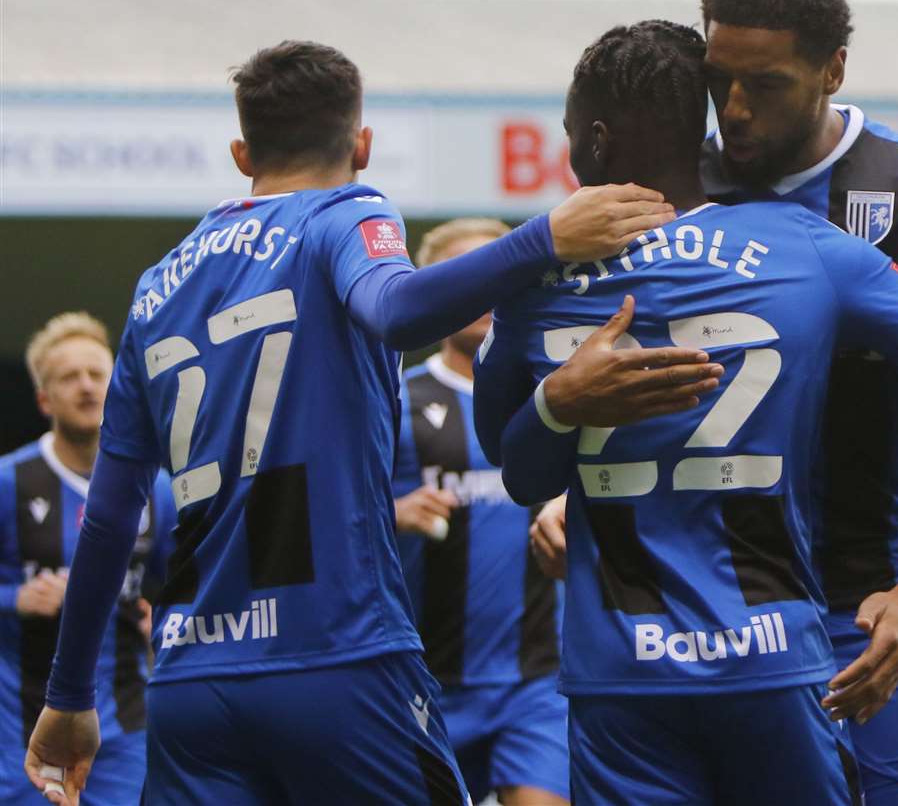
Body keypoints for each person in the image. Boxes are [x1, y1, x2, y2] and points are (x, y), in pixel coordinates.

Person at [23, 40, 715, 806]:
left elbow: (111, 516)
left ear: (240, 151)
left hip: (193, 681)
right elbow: (397, 307)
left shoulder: (156, 288)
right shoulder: (344, 213)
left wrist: (67, 697)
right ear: (362, 144)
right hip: (337, 659)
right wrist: (543, 237)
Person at [473, 20, 898, 805]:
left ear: (596, 142)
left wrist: (557, 404)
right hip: (776, 647)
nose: (737, 110)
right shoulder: (803, 244)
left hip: (639, 666)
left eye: (762, 84)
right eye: (724, 90)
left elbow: (515, 462)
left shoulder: (544, 271)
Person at [392, 219, 568, 806]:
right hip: (425, 682)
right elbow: (328, 521)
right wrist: (394, 515)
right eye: (468, 279)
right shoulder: (396, 402)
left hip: (536, 682)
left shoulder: (557, 395)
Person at [2, 314, 172, 806]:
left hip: (123, 727)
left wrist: (163, 619)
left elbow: (183, 584)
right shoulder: (10, 482)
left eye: (97, 374)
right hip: (18, 728)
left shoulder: (156, 488)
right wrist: (15, 598)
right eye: (69, 377)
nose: (86, 386)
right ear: (43, 398)